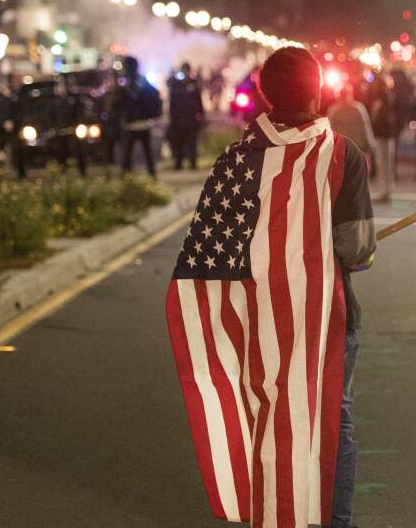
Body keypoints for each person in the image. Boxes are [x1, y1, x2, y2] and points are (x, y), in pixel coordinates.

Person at [165, 47, 375, 528]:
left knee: (265, 412)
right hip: (327, 321)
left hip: (258, 321)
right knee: (332, 420)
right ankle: (332, 520)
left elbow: (214, 247)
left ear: (264, 94)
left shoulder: (235, 160)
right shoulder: (344, 155)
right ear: (317, 92)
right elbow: (357, 251)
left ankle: (272, 510)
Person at [119, 56, 161, 177]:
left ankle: (126, 177)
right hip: (140, 123)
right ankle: (151, 176)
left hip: (134, 123)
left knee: (129, 153)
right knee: (144, 153)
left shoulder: (125, 82)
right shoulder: (140, 80)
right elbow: (155, 95)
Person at [167, 62, 205, 171]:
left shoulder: (193, 84)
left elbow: (199, 100)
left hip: (191, 118)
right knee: (178, 142)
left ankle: (193, 164)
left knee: (192, 142)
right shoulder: (175, 84)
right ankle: (178, 164)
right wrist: (172, 116)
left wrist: (201, 114)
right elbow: (172, 101)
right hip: (178, 118)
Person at [52, 77, 88, 176]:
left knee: (78, 152)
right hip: (60, 132)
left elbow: (79, 114)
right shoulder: (56, 101)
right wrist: (55, 128)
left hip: (73, 131)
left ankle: (82, 173)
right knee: (61, 154)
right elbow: (52, 116)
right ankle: (63, 173)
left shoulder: (73, 100)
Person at [368, 74, 396, 199]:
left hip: (381, 134)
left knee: (382, 163)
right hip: (388, 133)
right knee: (387, 163)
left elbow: (375, 117)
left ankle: (384, 191)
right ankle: (387, 190)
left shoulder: (380, 99)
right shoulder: (389, 97)